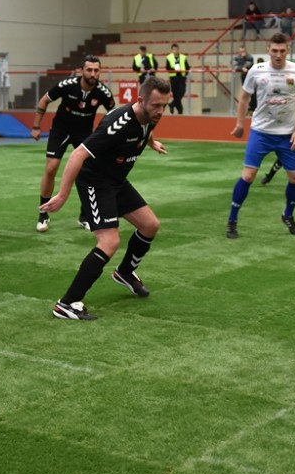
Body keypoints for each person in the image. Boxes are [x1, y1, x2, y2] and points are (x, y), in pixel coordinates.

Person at [42, 76, 171, 321]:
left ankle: (125, 272)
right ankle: (67, 304)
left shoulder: (149, 117)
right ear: (140, 100)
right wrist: (62, 195)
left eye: (164, 105)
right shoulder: (119, 123)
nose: (160, 111)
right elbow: (78, 154)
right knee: (109, 241)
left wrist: (152, 143)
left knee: (150, 225)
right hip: (95, 181)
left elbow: (146, 129)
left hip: (116, 181)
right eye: (156, 105)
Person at [226, 33, 295, 239]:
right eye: (274, 51)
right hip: (261, 132)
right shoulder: (256, 70)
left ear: (288, 50)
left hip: (287, 134)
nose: (278, 55)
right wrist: (240, 124)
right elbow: (244, 97)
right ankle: (232, 219)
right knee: (248, 176)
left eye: (282, 51)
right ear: (268, 50)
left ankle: (288, 215)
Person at [31, 56, 116, 233]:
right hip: (61, 130)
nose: (93, 74)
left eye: (96, 70)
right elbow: (44, 100)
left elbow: (113, 115)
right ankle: (43, 214)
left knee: (88, 173)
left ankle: (84, 216)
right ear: (81, 71)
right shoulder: (66, 85)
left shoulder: (104, 93)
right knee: (51, 168)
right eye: (89, 70)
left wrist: (108, 137)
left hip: (84, 134)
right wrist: (36, 126)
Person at [165, 43, 190, 114]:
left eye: (176, 49)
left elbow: (187, 67)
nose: (175, 50)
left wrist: (185, 74)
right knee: (175, 94)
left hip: (181, 77)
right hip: (173, 77)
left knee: (182, 91)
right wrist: (174, 69)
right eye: (174, 49)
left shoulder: (183, 57)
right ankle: (180, 110)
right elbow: (167, 68)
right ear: (172, 50)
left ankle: (172, 104)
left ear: (178, 49)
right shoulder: (169, 57)